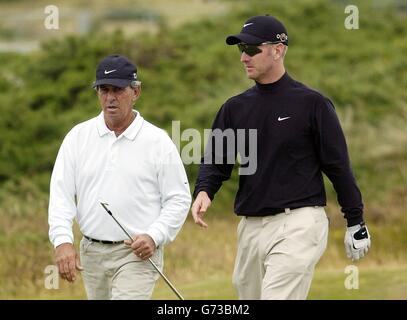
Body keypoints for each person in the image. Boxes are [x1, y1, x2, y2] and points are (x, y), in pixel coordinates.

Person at [191, 15, 371, 300]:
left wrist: (355, 221)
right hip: (250, 227)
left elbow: (337, 167)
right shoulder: (234, 108)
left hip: (299, 223)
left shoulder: (312, 104)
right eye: (241, 50)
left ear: (278, 50)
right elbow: (217, 158)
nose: (243, 58)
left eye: (251, 49)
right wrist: (204, 190)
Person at [48, 54, 191, 300]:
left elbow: (178, 198)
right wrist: (63, 241)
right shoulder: (77, 137)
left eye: (118, 90)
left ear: (136, 92)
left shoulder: (157, 141)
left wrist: (154, 236)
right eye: (104, 90)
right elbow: (61, 195)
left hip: (136, 254)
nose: (110, 97)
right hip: (92, 252)